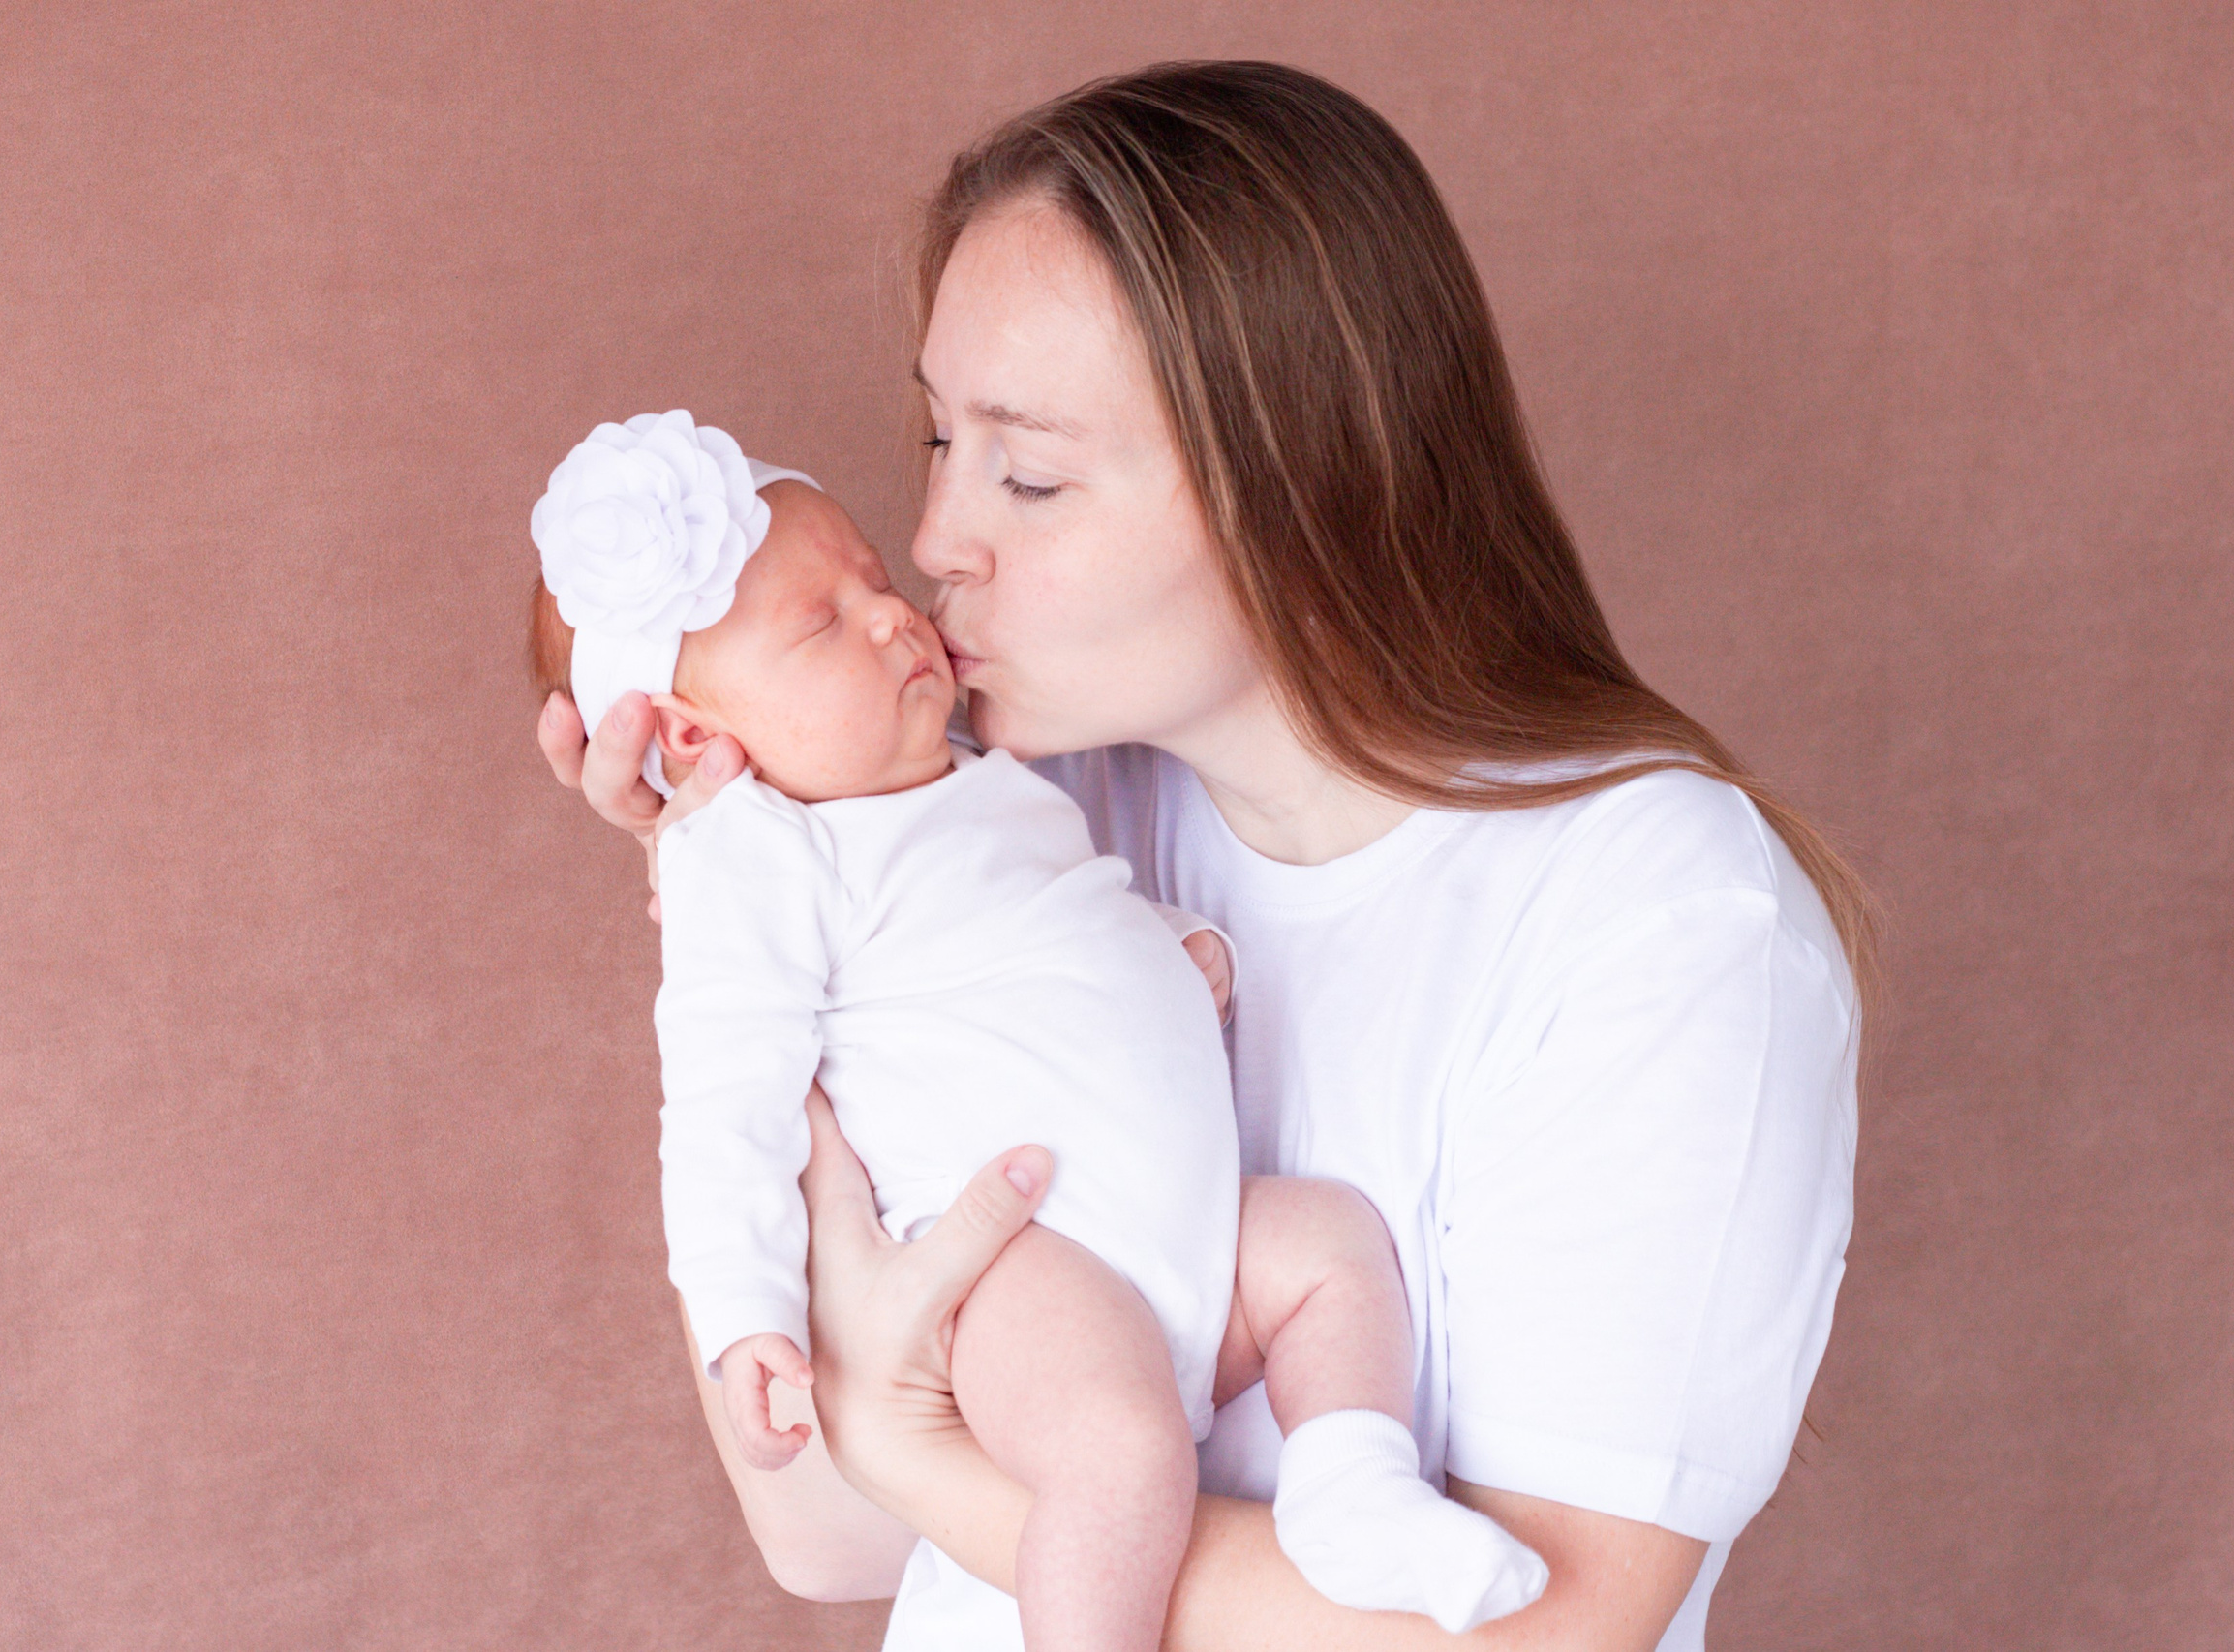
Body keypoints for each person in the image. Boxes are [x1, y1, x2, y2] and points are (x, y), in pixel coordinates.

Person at [538, 60, 1866, 1652]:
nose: (942, 537)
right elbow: (820, 1531)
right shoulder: (1024, 829)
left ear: (1299, 483)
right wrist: (722, 876)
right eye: (939, 438)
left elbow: (1536, 1641)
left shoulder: (1660, 923)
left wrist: (919, 1450)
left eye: (1027, 470)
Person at [525, 411, 1548, 1649]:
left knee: (1331, 1247)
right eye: (821, 625)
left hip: (1179, 1230)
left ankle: (1352, 1487)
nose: (896, 615)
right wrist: (749, 1315)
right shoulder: (754, 855)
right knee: (1118, 1455)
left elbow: (1037, 937)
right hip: (1020, 1272)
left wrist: (1169, 951)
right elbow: (722, 1104)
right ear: (693, 737)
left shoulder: (981, 772)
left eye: (872, 584)